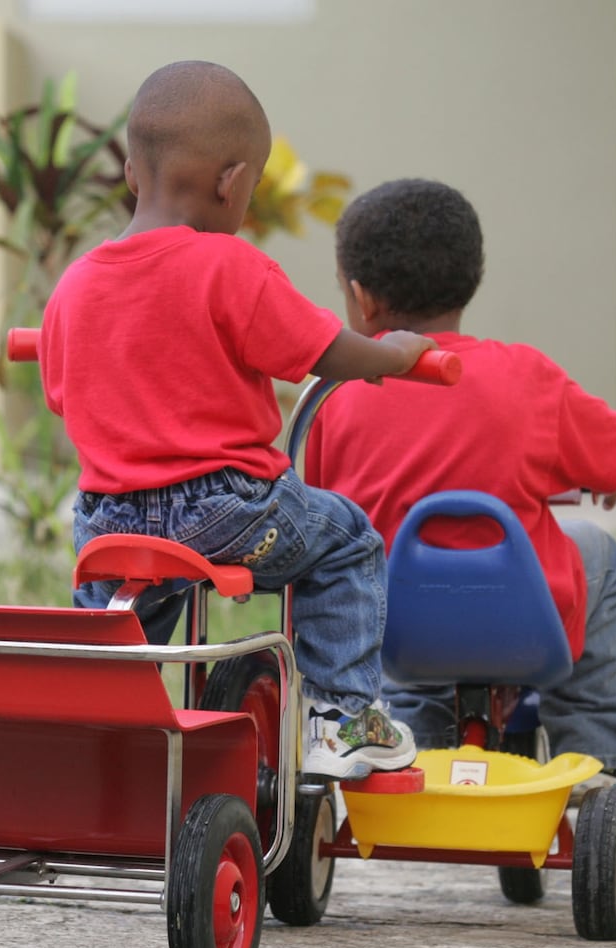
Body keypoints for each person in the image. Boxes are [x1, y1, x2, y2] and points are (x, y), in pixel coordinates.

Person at [38, 62, 436, 781]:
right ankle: (342, 719)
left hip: (109, 520)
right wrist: (393, 354)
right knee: (347, 542)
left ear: (131, 172)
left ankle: (98, 729)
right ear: (233, 182)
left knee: (119, 618)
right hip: (228, 509)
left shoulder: (77, 284)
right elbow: (321, 348)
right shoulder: (228, 266)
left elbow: (64, 396)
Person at [305, 177, 616, 809]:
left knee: (379, 571)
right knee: (600, 555)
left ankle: (416, 738)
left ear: (360, 298)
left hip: (393, 626)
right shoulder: (526, 378)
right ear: (471, 280)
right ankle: (605, 752)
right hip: (522, 619)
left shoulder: (335, 394)